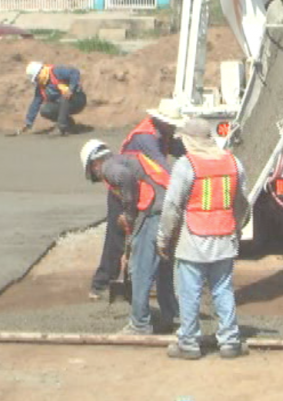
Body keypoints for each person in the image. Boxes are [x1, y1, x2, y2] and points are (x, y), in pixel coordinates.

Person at [157, 117, 250, 359]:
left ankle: (188, 342)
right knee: (223, 289)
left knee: (190, 292)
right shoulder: (233, 162)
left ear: (188, 141)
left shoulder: (186, 165)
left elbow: (172, 206)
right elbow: (242, 202)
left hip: (194, 241)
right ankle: (230, 341)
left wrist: (163, 238)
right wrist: (237, 229)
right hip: (225, 237)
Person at [89, 99, 186, 300]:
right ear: (161, 121)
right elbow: (163, 171)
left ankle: (139, 281)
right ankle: (102, 283)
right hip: (125, 190)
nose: (174, 127)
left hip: (140, 189)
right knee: (118, 236)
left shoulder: (162, 133)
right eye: (172, 123)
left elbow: (181, 150)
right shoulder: (146, 138)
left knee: (140, 236)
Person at [80, 138, 179, 334]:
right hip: (169, 208)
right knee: (163, 267)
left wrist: (128, 214)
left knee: (140, 269)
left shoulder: (109, 167)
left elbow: (125, 178)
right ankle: (173, 317)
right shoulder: (125, 160)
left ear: (94, 164)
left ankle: (140, 324)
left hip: (155, 212)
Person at [19, 61, 86, 136]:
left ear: (40, 73)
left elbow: (75, 72)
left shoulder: (56, 72)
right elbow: (35, 104)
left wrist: (71, 89)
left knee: (64, 96)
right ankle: (69, 124)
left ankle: (61, 128)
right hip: (63, 105)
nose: (36, 81)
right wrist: (28, 122)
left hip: (77, 100)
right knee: (45, 110)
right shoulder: (41, 87)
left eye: (36, 78)